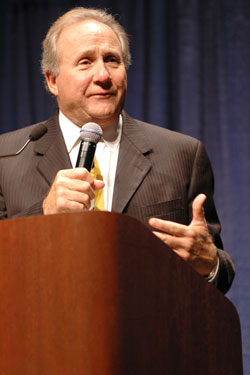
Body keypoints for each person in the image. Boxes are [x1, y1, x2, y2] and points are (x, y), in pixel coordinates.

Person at [0, 7, 234, 293]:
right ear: (52, 80)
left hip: (148, 332)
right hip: (39, 330)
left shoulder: (182, 154)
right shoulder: (6, 156)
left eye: (112, 60)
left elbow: (218, 273)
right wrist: (43, 213)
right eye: (85, 62)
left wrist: (209, 263)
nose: (103, 75)